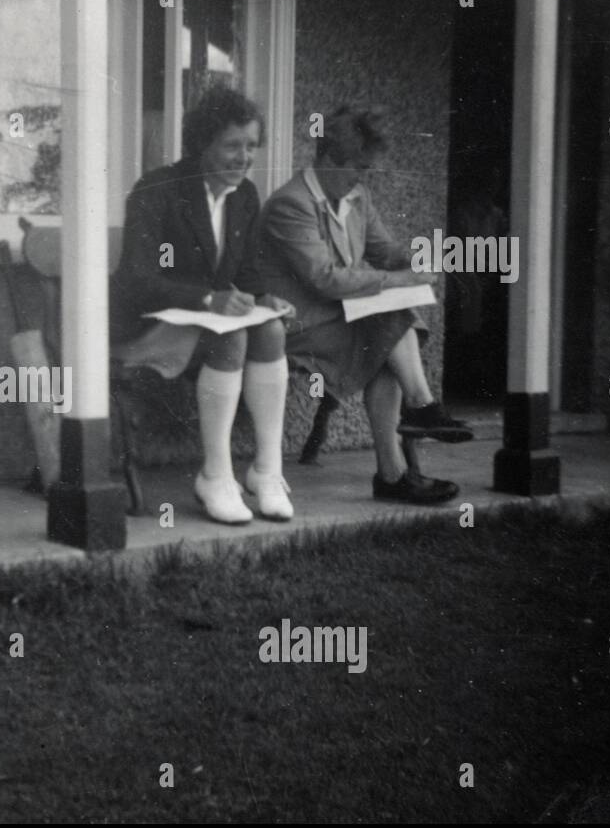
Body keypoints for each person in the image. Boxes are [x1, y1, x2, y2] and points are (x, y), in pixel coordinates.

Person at [248, 105, 472, 504]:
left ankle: (402, 455)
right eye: (359, 167)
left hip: (335, 320)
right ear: (329, 159)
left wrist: (423, 263)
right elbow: (325, 278)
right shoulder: (292, 204)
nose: (363, 177)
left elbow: (384, 251)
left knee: (386, 337)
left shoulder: (356, 197)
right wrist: (401, 280)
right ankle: (408, 438)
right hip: (294, 325)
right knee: (386, 334)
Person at [110, 87, 296, 524]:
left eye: (251, 146)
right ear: (201, 144)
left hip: (200, 325)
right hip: (143, 326)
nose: (244, 157)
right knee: (230, 334)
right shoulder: (157, 189)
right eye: (232, 145)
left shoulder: (245, 195)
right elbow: (137, 277)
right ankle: (215, 475)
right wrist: (208, 299)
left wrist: (264, 297)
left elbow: (247, 271)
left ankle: (267, 471)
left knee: (270, 330)